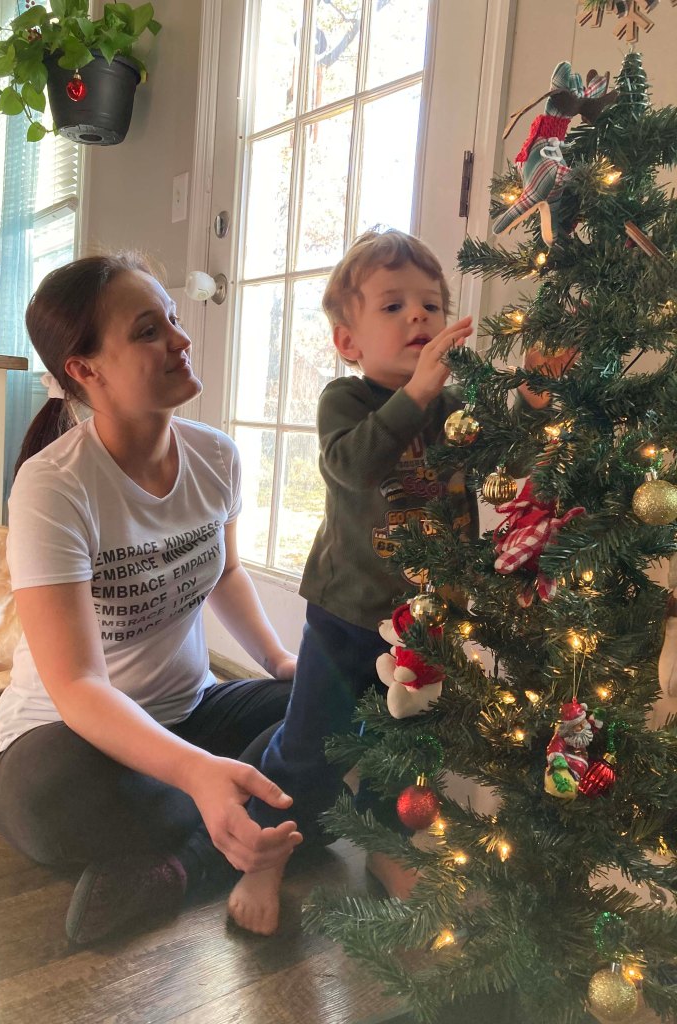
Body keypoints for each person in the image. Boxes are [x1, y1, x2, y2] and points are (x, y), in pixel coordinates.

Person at [227, 228, 565, 935]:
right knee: (310, 740)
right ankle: (263, 854)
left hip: (429, 618)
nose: (418, 315)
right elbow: (354, 466)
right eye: (393, 306)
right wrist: (415, 392)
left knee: (409, 743)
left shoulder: (453, 408)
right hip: (347, 612)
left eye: (431, 305)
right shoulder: (344, 402)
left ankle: (387, 847)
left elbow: (503, 459)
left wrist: (532, 400)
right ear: (347, 341)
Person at [0, 253, 303, 946]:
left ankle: (181, 867)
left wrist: (280, 662)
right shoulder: (53, 487)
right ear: (85, 370)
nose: (181, 340)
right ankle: (246, 824)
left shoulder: (216, 457)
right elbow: (76, 686)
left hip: (194, 716)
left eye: (174, 320)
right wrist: (196, 773)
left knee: (331, 701)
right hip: (71, 742)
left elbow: (225, 573)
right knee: (48, 800)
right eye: (148, 331)